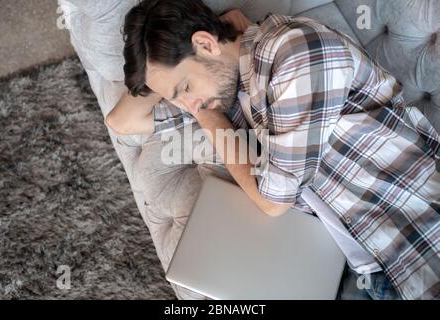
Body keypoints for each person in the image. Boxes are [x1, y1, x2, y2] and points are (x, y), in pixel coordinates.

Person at [105, 0, 440, 300]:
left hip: (420, 237)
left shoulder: (295, 52)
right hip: (363, 269)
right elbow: (123, 121)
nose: (188, 105)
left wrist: (207, 116)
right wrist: (155, 70)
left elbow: (273, 201)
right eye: (175, 97)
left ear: (205, 43)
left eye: (184, 88)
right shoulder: (230, 89)